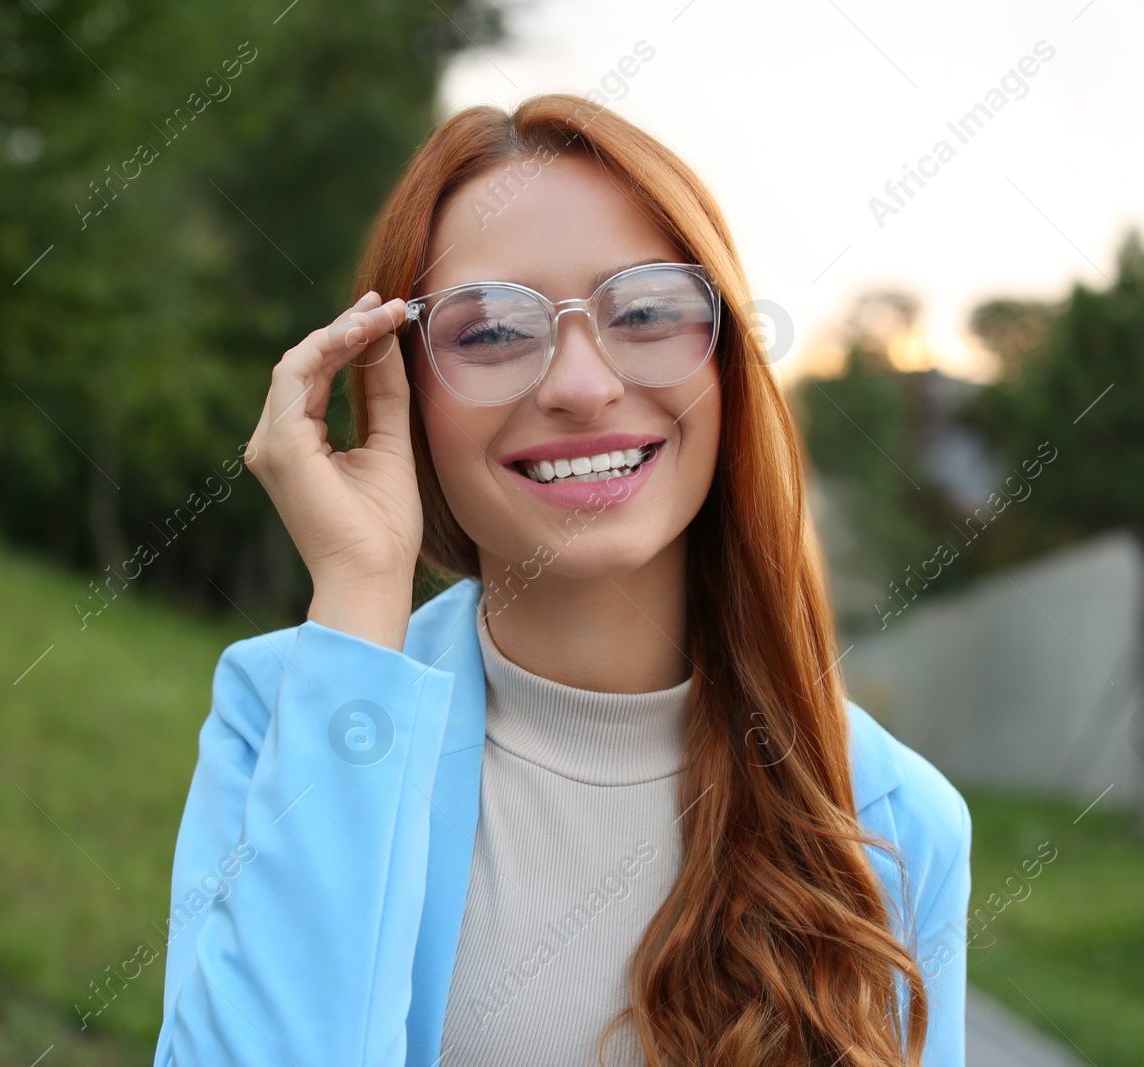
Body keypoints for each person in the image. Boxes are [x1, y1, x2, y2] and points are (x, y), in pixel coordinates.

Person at [151, 92, 971, 1067]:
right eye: (491, 331)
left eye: (648, 312)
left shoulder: (892, 816)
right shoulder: (284, 719)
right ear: (398, 390)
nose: (580, 384)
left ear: (728, 368)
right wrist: (363, 592)